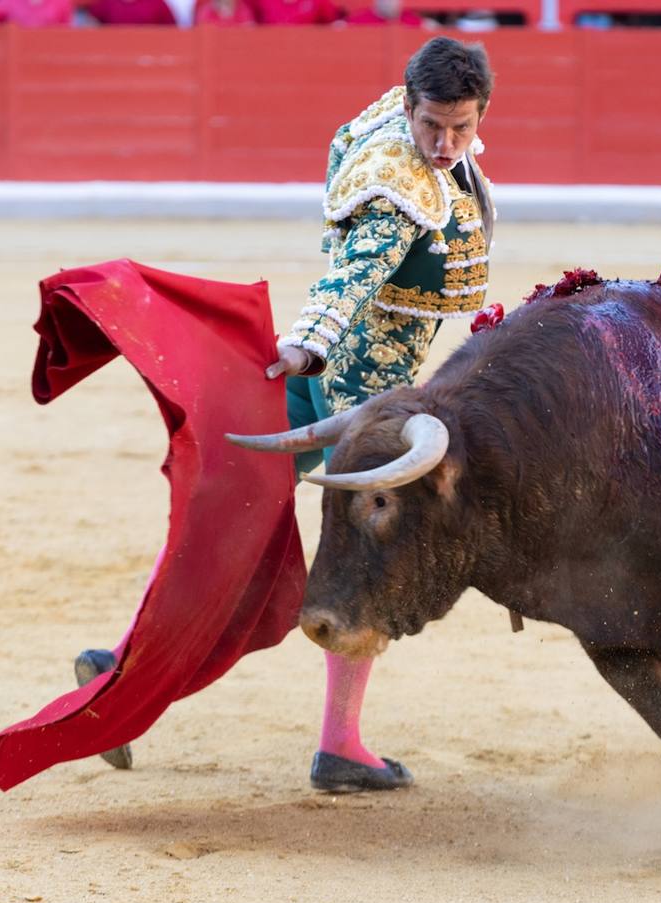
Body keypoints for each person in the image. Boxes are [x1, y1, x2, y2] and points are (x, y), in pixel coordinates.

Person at [75, 35, 495, 793]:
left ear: (480, 114)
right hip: (362, 398)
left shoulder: (390, 129)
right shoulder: (400, 190)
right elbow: (355, 273)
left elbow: (354, 152)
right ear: (410, 107)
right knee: (365, 560)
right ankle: (341, 745)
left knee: (231, 516)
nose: (445, 144)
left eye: (461, 128)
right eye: (433, 125)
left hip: (334, 382)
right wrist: (306, 342)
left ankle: (118, 664)